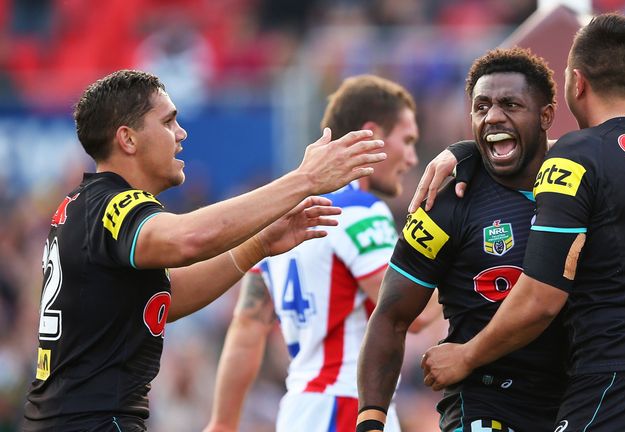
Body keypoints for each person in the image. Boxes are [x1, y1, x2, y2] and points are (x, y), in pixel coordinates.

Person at [23, 69, 386, 432]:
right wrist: (304, 180)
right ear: (128, 139)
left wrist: (257, 244)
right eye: (168, 122)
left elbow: (164, 300)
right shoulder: (114, 205)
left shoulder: (84, 205)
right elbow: (188, 239)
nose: (181, 134)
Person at [419, 13, 625, 430]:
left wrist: (466, 355)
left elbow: (541, 298)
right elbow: (613, 152)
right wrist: (473, 149)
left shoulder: (577, 157)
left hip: (621, 383)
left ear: (576, 83)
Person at [356, 48, 568, 432]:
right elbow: (391, 317)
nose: (493, 116)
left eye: (510, 104)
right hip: (488, 404)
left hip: (580, 403)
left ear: (546, 116)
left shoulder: (584, 185)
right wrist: (371, 420)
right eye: (481, 106)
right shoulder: (446, 205)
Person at [204, 75, 429, 432]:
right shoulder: (359, 209)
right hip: (347, 407)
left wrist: (222, 423)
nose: (412, 157)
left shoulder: (280, 215)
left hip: (299, 409)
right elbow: (409, 313)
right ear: (372, 134)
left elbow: (248, 325)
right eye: (408, 140)